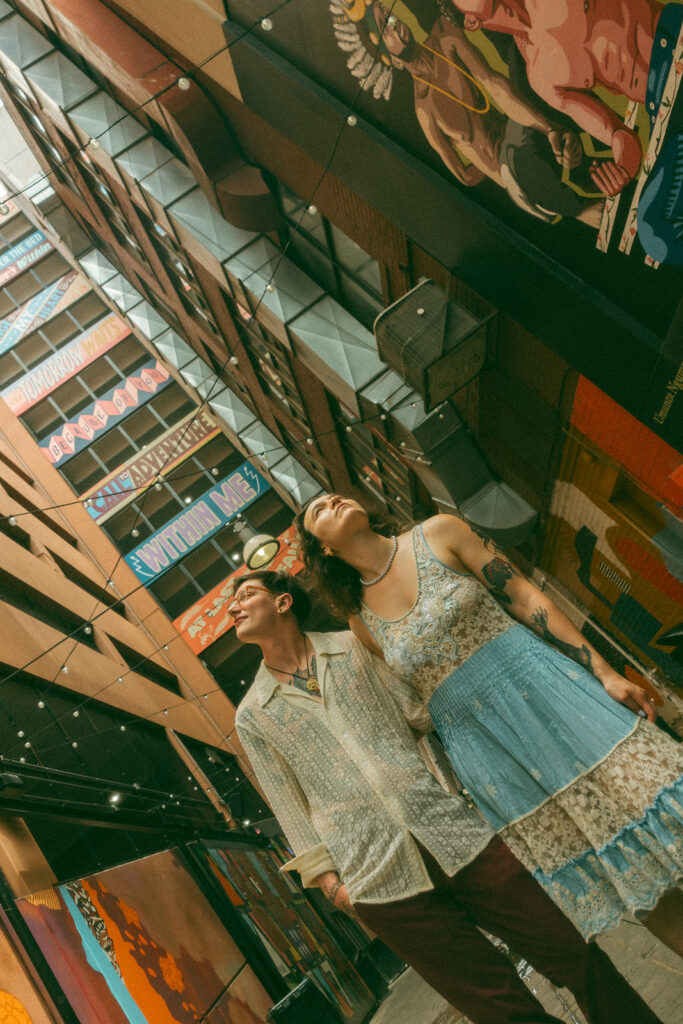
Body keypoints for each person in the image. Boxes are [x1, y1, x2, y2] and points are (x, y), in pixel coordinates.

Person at [230, 571, 663, 1024]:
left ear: (283, 603)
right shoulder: (254, 715)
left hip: (456, 834)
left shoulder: (352, 647)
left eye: (245, 595)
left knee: (571, 950)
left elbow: (418, 713)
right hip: (378, 880)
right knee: (499, 1009)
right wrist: (334, 887)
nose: (233, 608)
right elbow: (288, 806)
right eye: (231, 604)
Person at [297, 494, 683, 952]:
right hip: (492, 751)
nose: (332, 500)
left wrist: (603, 670)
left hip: (550, 694)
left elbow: (522, 595)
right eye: (318, 510)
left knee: (662, 801)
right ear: (323, 549)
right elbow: (414, 705)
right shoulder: (361, 623)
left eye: (331, 495)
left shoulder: (439, 531)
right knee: (629, 869)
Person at [332, 0, 603, 226]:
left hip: (519, 128)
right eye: (385, 27)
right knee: (533, 174)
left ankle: (589, 161)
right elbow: (462, 174)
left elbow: (494, 85)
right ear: (387, 57)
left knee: (530, 73)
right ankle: (588, 205)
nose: (394, 24)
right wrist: (490, 164)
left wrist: (548, 128)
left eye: (389, 15)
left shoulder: (445, 34)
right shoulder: (423, 109)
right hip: (513, 171)